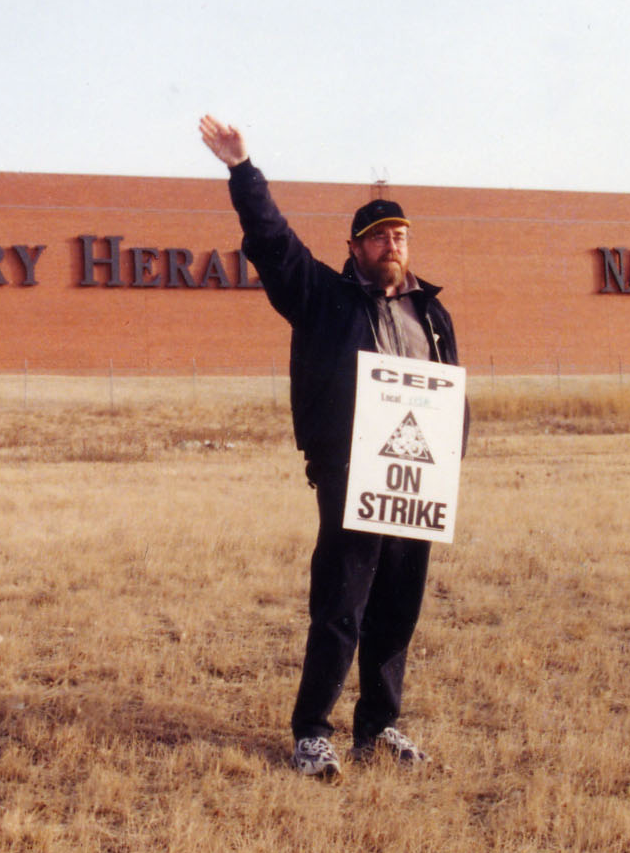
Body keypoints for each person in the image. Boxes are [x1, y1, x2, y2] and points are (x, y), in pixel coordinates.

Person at [198, 114, 464, 778]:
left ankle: (380, 727)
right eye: (377, 237)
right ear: (354, 247)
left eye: (399, 234)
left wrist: (450, 462)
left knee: (398, 609)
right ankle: (312, 731)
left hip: (417, 481)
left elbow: (452, 395)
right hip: (351, 475)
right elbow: (272, 242)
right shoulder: (323, 297)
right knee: (341, 608)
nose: (391, 244)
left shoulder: (431, 314)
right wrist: (242, 169)